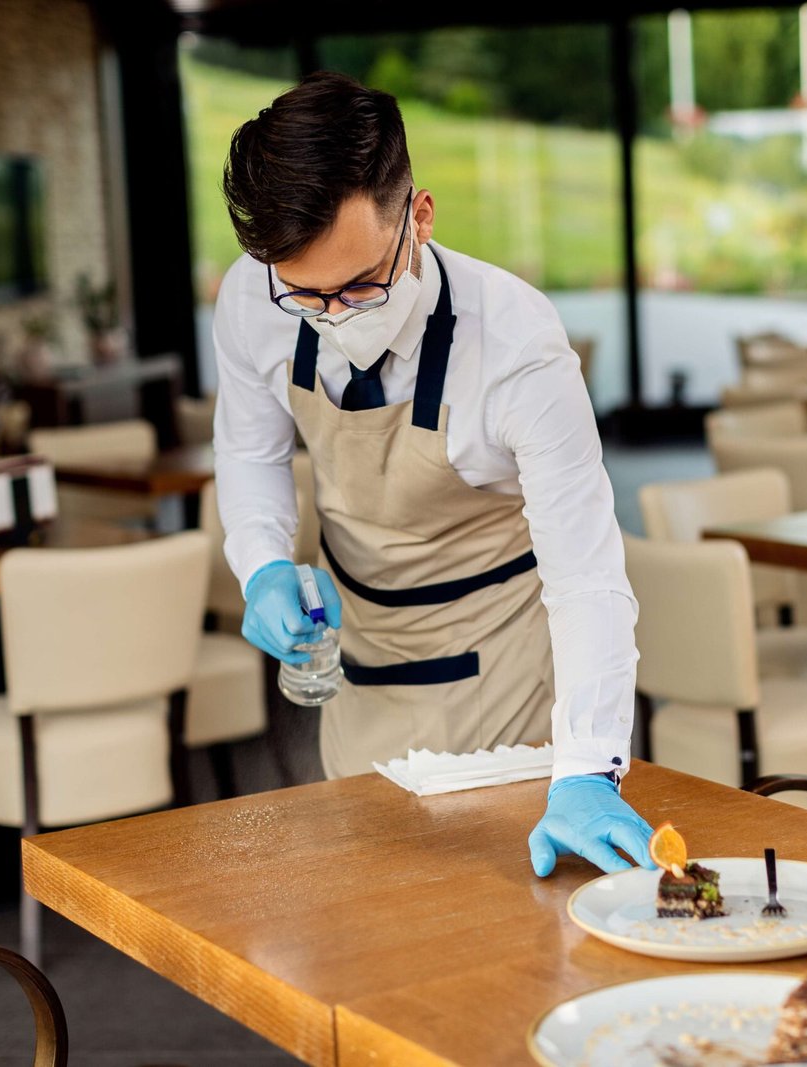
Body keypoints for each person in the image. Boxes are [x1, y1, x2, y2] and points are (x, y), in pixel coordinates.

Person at [213, 72, 654, 878]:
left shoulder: (517, 346)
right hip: (361, 658)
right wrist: (262, 562)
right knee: (361, 903)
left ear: (418, 216)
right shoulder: (253, 298)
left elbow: (587, 575)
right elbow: (249, 450)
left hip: (500, 665)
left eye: (360, 285)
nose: (335, 316)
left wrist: (589, 766)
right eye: (307, 296)